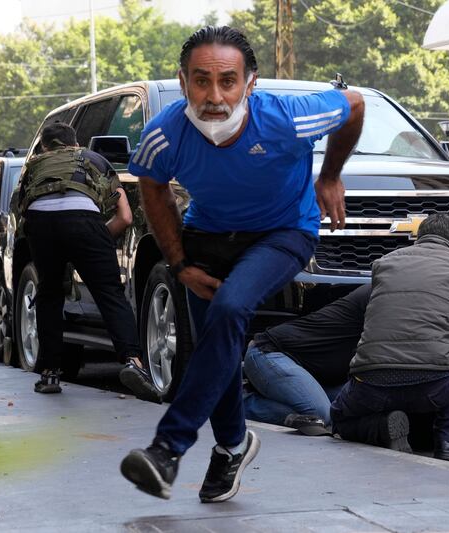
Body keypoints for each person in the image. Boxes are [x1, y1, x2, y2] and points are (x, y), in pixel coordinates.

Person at [119, 25, 364, 503]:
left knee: (230, 309)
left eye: (227, 81)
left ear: (250, 83)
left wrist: (330, 174)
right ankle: (232, 446)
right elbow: (153, 186)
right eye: (201, 80)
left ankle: (168, 447)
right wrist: (180, 262)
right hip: (207, 236)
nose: (214, 96)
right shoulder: (163, 136)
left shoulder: (287, 118)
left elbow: (353, 104)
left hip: (284, 231)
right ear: (183, 80)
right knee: (219, 343)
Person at [330, 214, 449, 462]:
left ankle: (380, 428)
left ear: (417, 240)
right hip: (435, 386)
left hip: (370, 383)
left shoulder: (382, 265)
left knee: (339, 419)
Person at [16, 123, 157, 402]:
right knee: (110, 294)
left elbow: (22, 210)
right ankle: (133, 362)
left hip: (40, 222)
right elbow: (126, 217)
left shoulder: (34, 165)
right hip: (85, 219)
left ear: (45, 147)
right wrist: (93, 240)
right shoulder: (95, 159)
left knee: (50, 294)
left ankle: (50, 373)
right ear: (75, 143)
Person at [243, 285, 371, 427]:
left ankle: (273, 395)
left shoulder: (391, 298)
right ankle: (237, 404)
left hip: (317, 373)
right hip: (270, 353)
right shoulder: (378, 297)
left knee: (350, 408)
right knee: (320, 416)